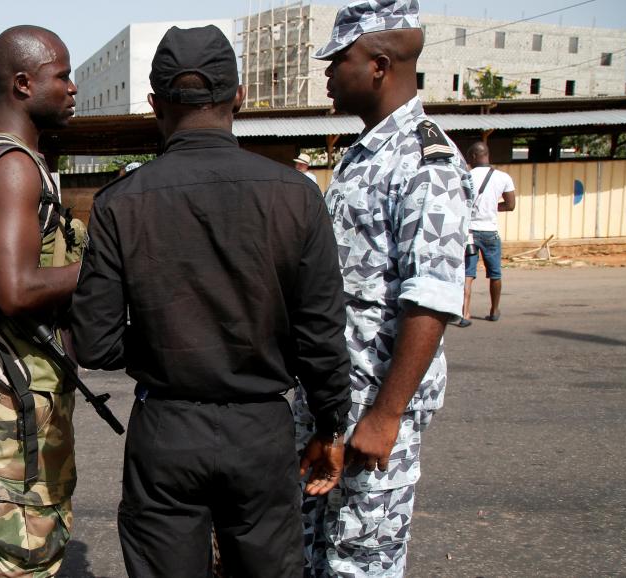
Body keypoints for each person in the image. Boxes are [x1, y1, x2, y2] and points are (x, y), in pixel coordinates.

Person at [72, 25, 352, 578]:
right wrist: (330, 426)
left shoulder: (119, 203)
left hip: (165, 430)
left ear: (155, 104)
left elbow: (94, 342)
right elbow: (321, 333)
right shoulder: (296, 195)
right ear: (239, 96)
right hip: (262, 432)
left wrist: (164, 338)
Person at [292, 1, 474, 576]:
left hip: (373, 403)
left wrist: (387, 414)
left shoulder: (426, 161)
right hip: (331, 398)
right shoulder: (363, 152)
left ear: (377, 64)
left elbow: (433, 297)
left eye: (336, 60)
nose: (327, 74)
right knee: (311, 551)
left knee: (361, 560)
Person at [0, 25, 83, 578]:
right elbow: (16, 290)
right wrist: (104, 271)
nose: (73, 88)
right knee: (30, 542)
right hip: (20, 387)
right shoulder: (13, 167)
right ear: (23, 84)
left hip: (2, 380)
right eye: (63, 76)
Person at [461, 141, 515, 325]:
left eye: (469, 157)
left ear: (474, 156)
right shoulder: (503, 177)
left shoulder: (465, 176)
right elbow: (510, 205)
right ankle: (494, 309)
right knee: (495, 274)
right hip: (490, 232)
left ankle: (465, 313)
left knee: (468, 274)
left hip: (469, 233)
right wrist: (492, 207)